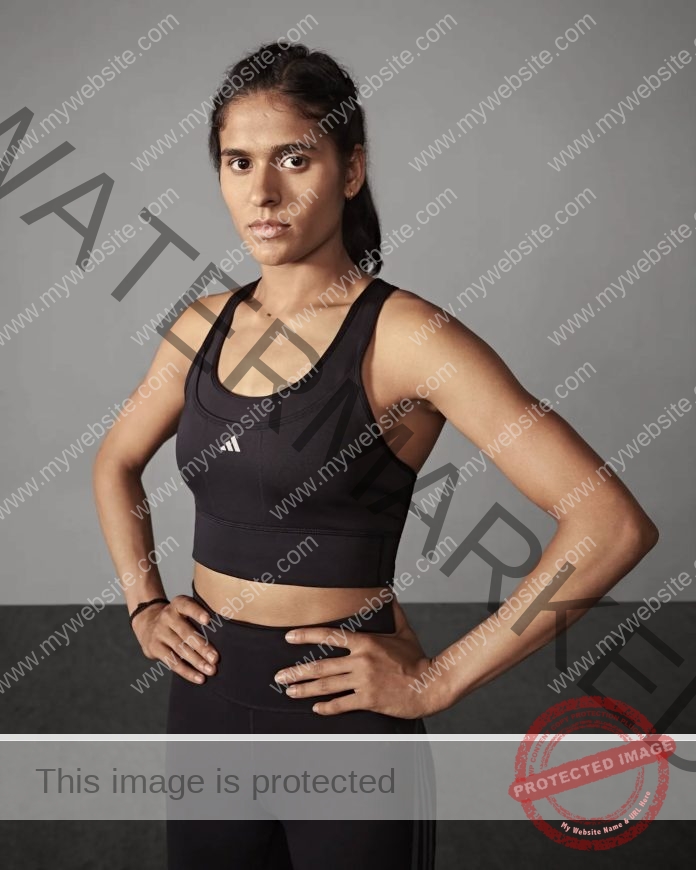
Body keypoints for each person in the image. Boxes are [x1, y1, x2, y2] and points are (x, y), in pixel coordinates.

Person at [92, 41, 659, 870]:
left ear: (351, 170)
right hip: (205, 704)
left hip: (346, 727)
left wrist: (437, 680)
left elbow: (610, 525)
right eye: (237, 162)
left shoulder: (407, 339)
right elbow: (112, 463)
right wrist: (144, 603)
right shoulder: (199, 327)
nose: (263, 192)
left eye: (295, 158)